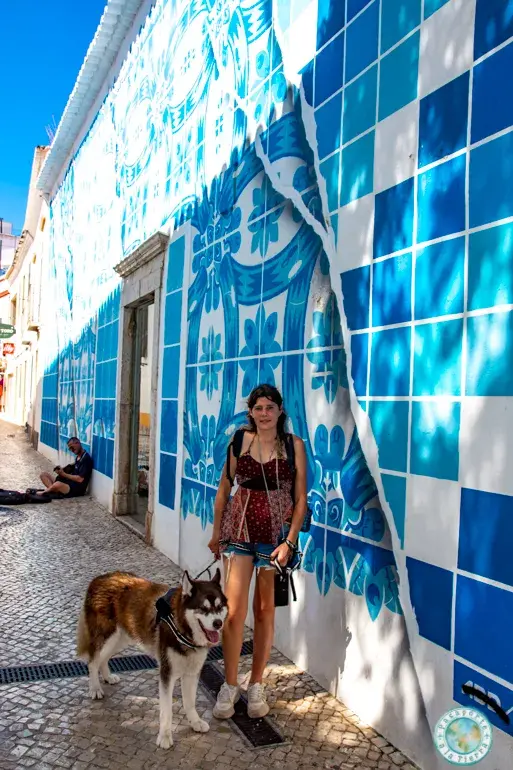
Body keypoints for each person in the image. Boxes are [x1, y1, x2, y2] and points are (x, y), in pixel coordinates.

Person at [208, 384, 307, 720]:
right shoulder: (239, 441)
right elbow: (225, 486)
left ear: (280, 411)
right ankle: (230, 683)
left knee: (264, 611)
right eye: (258, 408)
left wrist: (290, 542)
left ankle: (258, 684)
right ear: (250, 411)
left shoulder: (294, 447)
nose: (264, 414)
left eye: (270, 407)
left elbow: (301, 499)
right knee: (233, 612)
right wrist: (215, 531)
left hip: (274, 540)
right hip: (239, 533)